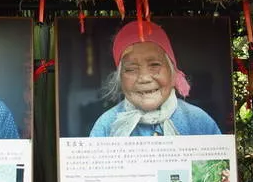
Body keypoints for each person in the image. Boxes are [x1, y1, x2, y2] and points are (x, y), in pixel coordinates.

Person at [90, 21, 221, 137]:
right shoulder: (106, 125)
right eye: (131, 69)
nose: (144, 78)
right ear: (120, 79)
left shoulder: (199, 121)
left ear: (172, 72)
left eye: (154, 65)